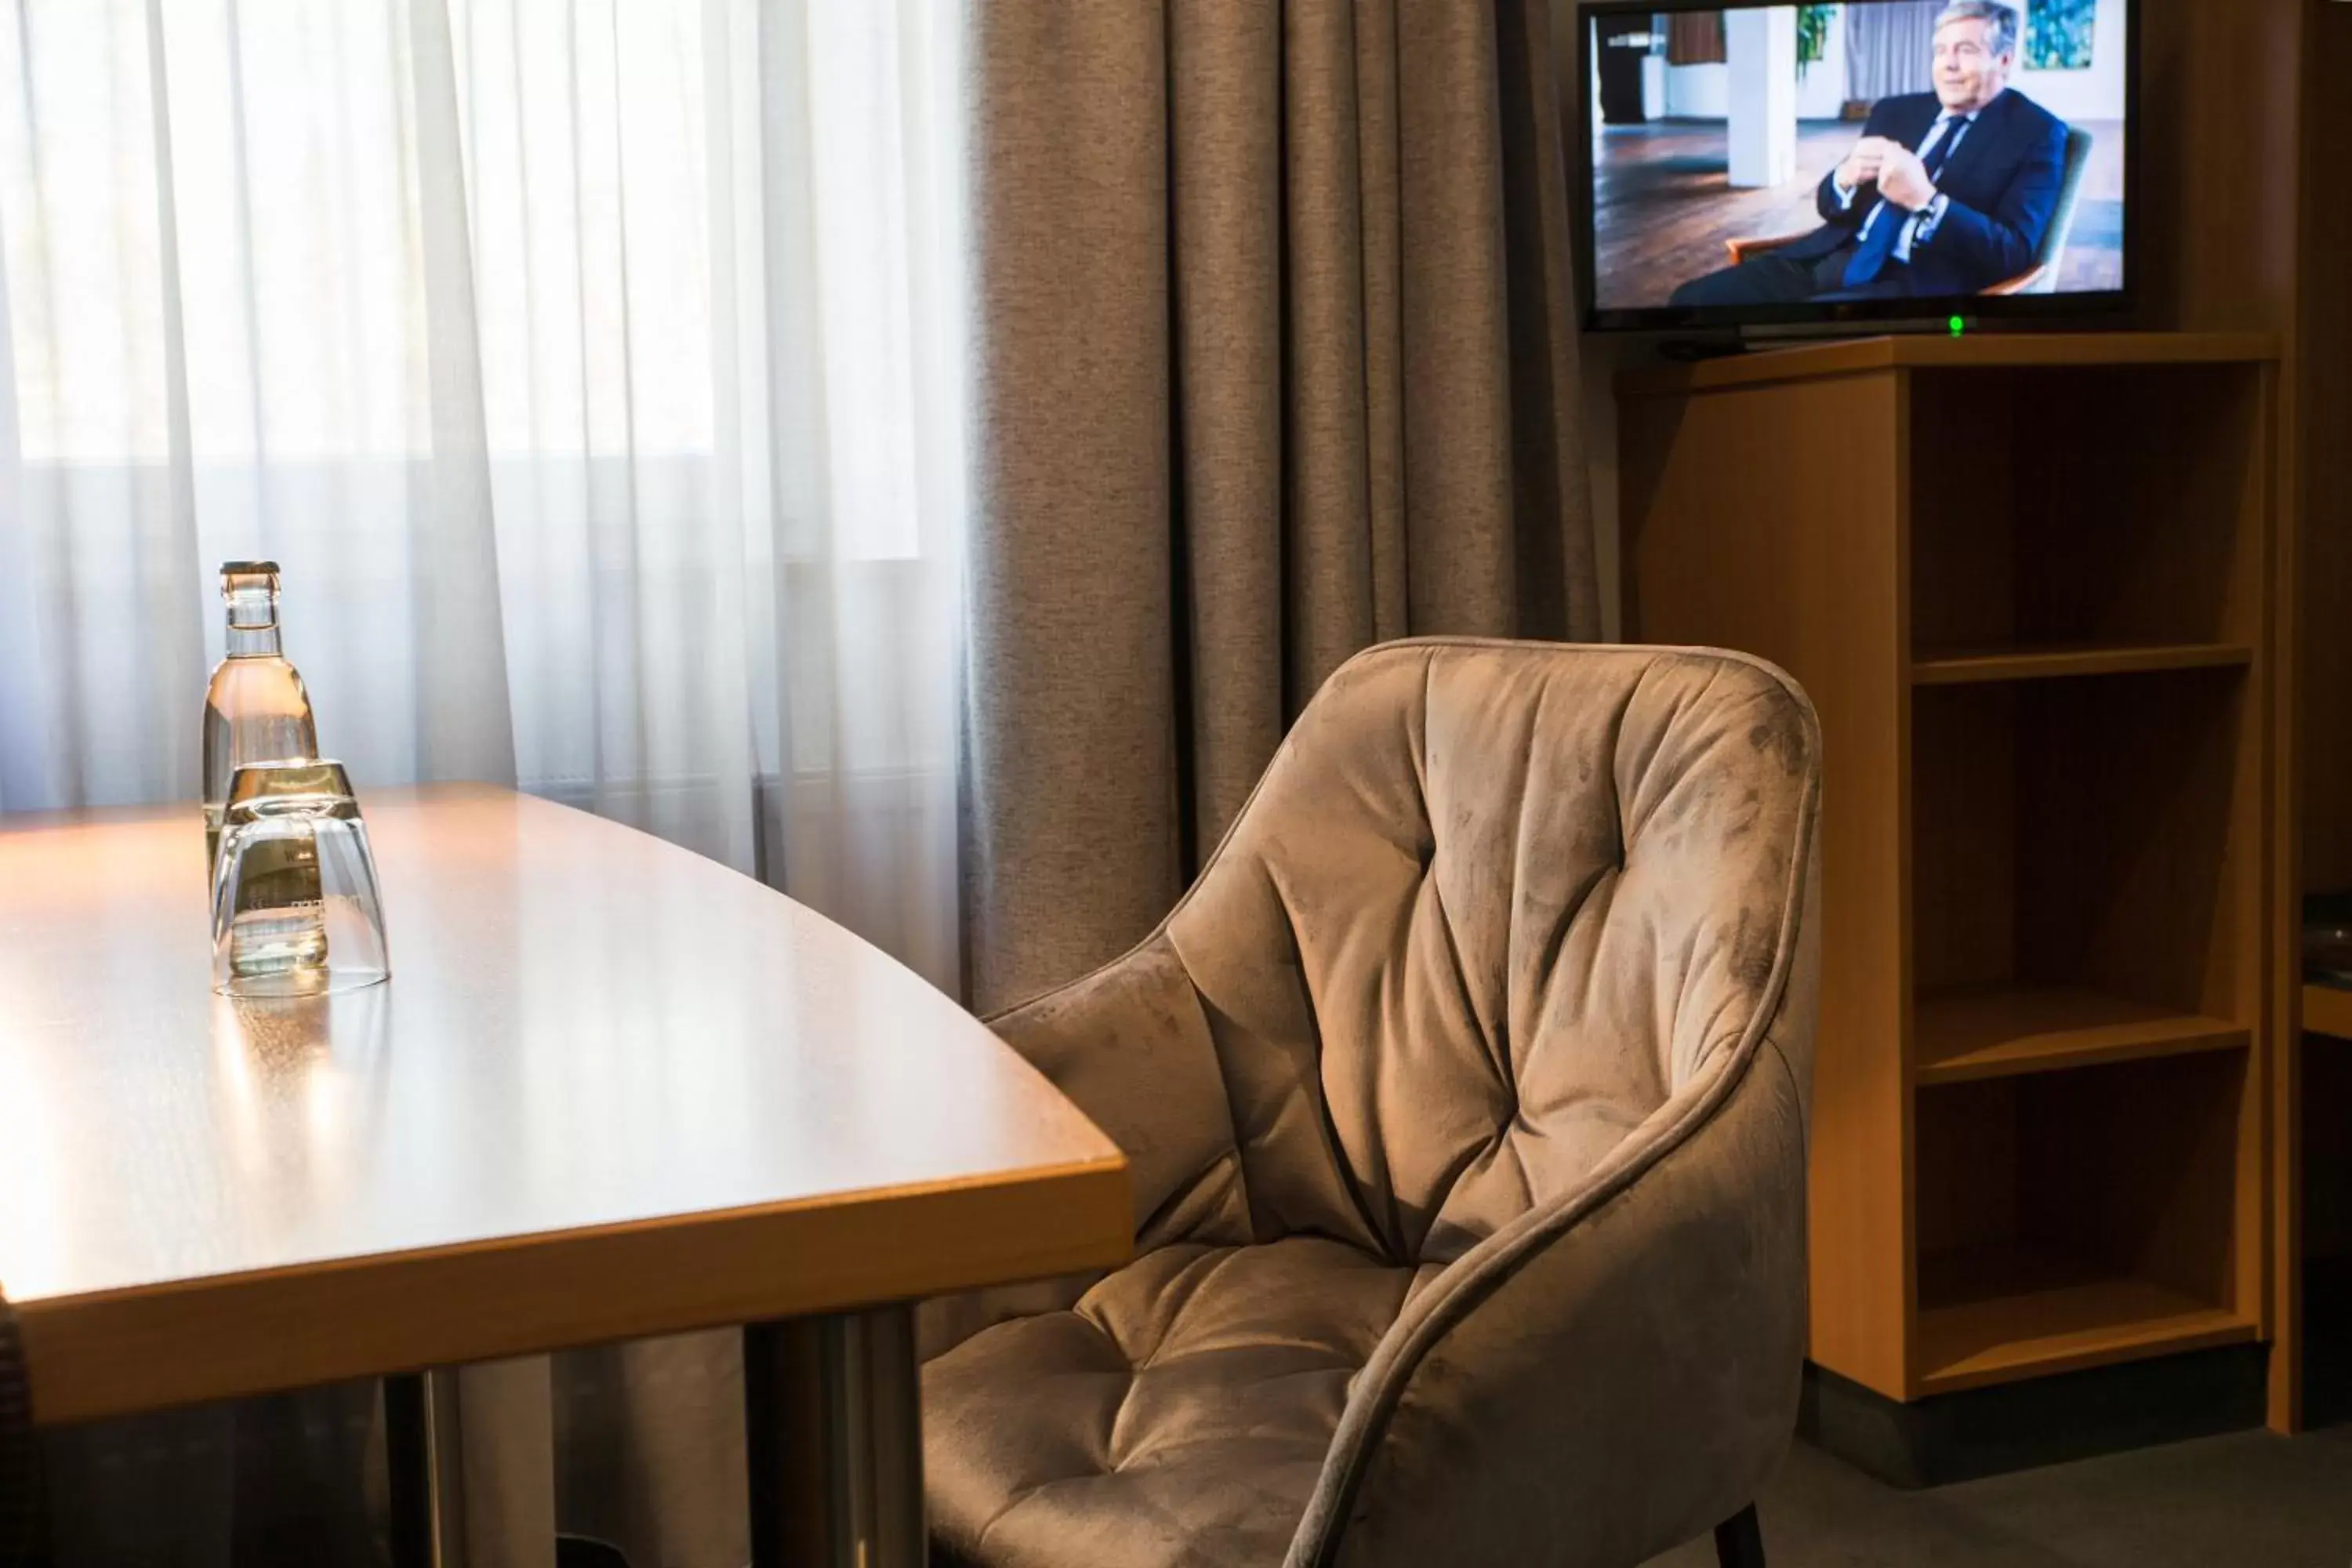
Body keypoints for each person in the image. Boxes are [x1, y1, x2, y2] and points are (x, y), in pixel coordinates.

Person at [1669, 0, 2067, 307]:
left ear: (2003, 60)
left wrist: (1927, 201)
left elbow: (2013, 253)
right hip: (1828, 257)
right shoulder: (1895, 111)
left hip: (1911, 284)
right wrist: (1843, 179)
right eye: (1940, 50)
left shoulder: (2037, 132)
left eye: (1964, 50)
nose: (1947, 64)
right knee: (1690, 304)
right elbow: (1830, 207)